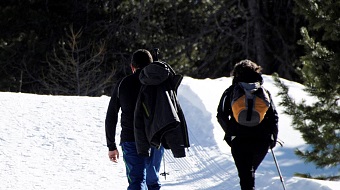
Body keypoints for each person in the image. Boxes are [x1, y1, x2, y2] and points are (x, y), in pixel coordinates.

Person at [105, 49, 164, 190]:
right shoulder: (160, 83)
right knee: (153, 182)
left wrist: (111, 145)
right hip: (155, 139)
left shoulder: (123, 84)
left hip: (131, 140)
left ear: (132, 67)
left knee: (136, 182)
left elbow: (111, 115)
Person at [216, 60, 279, 190]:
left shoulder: (231, 91)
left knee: (245, 176)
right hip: (262, 139)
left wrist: (230, 132)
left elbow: (221, 115)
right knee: (249, 173)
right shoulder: (264, 91)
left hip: (239, 139)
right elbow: (274, 117)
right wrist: (273, 137)